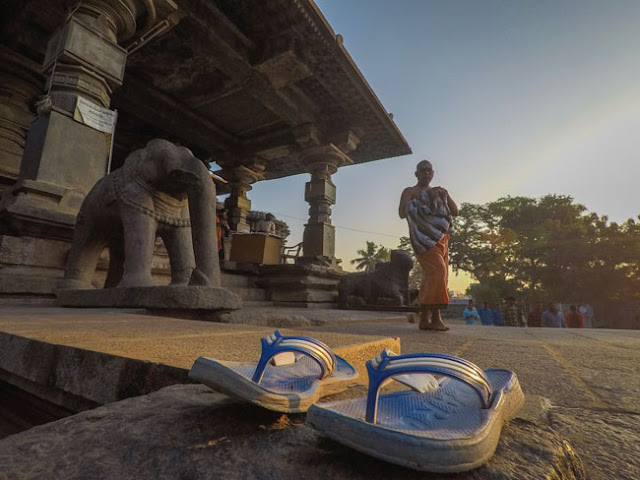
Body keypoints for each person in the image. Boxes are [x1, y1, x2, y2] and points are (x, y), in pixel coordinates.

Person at [399, 159, 458, 331]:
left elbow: (455, 211)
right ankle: (437, 317)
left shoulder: (439, 191)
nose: (426, 173)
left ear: (432, 173)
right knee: (438, 272)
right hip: (423, 240)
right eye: (422, 170)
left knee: (433, 277)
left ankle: (424, 319)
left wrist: (444, 196)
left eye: (429, 170)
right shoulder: (410, 191)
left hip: (441, 239)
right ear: (416, 174)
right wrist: (424, 198)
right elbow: (402, 212)